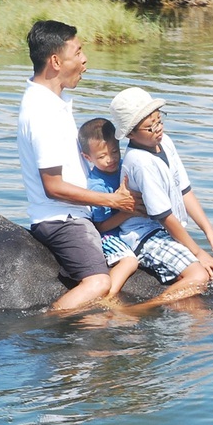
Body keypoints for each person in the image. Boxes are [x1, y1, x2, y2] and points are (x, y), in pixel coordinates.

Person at [16, 20, 137, 312]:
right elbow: (53, 186)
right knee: (98, 283)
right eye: (78, 52)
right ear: (56, 61)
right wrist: (112, 200)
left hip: (74, 212)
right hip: (62, 219)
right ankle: (46, 322)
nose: (85, 60)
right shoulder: (42, 112)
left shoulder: (53, 102)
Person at [108, 86, 213, 305]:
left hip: (165, 230)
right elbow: (163, 215)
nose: (158, 129)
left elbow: (184, 190)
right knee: (199, 277)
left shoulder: (164, 142)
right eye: (150, 127)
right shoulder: (140, 162)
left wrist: (210, 233)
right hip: (145, 236)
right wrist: (197, 252)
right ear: (130, 133)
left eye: (159, 121)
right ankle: (142, 309)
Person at [77, 117, 140, 299]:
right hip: (107, 236)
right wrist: (128, 212)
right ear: (88, 158)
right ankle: (108, 297)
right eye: (102, 157)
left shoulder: (124, 167)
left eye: (114, 152)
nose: (110, 159)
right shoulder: (97, 185)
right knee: (129, 261)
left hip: (126, 229)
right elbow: (100, 227)